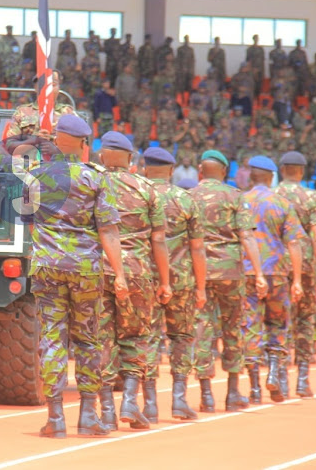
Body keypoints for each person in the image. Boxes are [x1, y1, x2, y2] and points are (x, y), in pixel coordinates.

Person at [30, 114, 128, 438]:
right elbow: (109, 232)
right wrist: (120, 276)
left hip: (47, 266)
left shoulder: (35, 176)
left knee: (52, 339)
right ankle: (88, 415)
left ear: (56, 140)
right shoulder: (97, 178)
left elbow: (27, 222)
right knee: (87, 340)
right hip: (85, 268)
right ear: (85, 144)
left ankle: (55, 417)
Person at [97, 131, 171, 431]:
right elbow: (159, 241)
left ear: (102, 155)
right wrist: (165, 282)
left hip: (98, 270)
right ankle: (129, 400)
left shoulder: (92, 182)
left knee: (101, 339)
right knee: (137, 337)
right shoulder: (147, 188)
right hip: (138, 272)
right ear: (130, 160)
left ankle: (104, 411)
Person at [191, 150, 267, 412]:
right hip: (231, 272)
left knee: (202, 328)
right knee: (233, 327)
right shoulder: (236, 196)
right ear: (224, 171)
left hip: (197, 271)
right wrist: (258, 273)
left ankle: (206, 395)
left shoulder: (188, 196)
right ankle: (233, 392)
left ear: (200, 170)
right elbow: (247, 236)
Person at [141, 147, 206, 422]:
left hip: (144, 278)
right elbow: (198, 248)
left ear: (145, 168)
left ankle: (150, 404)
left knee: (147, 337)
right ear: (171, 171)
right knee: (182, 337)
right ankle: (179, 399)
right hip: (181, 280)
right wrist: (201, 287)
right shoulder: (186, 199)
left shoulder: (137, 194)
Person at [241, 156, 305, 404]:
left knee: (250, 326)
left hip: (247, 271)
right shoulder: (281, 203)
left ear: (251, 176)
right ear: (270, 177)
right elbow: (294, 243)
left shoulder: (241, 201)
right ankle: (275, 373)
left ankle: (255, 387)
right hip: (277, 272)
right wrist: (297, 279)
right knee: (278, 325)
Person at [274, 152, 316, 399]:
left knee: (280, 319)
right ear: (302, 172)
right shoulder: (311, 196)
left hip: (277, 264)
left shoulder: (273, 195)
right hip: (305, 266)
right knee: (306, 319)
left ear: (282, 169)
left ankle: (281, 379)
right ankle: (303, 380)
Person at [5, 70, 74, 152]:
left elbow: (78, 145)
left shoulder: (68, 113)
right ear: (35, 87)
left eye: (53, 85)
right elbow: (9, 144)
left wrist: (56, 149)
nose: (48, 89)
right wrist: (33, 141)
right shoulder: (22, 112)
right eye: (43, 84)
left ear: (59, 88)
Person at [176, 35, 195, 99]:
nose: (187, 41)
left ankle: (189, 100)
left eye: (188, 39)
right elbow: (178, 61)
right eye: (186, 39)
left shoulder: (191, 50)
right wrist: (178, 71)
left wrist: (192, 71)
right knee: (181, 87)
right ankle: (182, 101)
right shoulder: (180, 49)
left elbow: (192, 61)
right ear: (184, 40)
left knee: (189, 87)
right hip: (182, 72)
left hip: (189, 72)